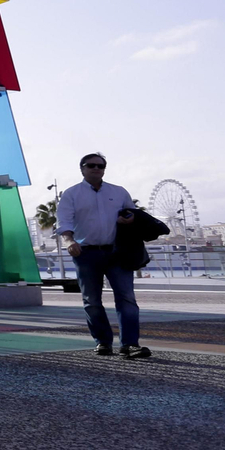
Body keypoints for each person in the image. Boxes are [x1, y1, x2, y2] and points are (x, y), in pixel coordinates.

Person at [57, 153, 149, 359]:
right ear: (82, 168)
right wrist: (69, 241)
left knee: (127, 298)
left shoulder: (118, 192)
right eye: (91, 165)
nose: (96, 169)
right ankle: (103, 342)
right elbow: (64, 222)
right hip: (86, 253)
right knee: (91, 300)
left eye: (101, 166)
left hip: (118, 252)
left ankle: (130, 344)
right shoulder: (71, 194)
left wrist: (129, 219)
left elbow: (132, 215)